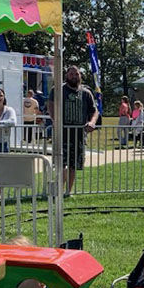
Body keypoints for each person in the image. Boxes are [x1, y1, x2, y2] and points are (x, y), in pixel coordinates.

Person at [47, 66, 98, 196]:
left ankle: (67, 192)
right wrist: (54, 120)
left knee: (73, 165)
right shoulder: (58, 90)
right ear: (66, 75)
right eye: (71, 74)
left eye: (76, 74)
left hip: (79, 135)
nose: (74, 76)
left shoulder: (86, 93)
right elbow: (51, 104)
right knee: (61, 163)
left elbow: (94, 111)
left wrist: (92, 122)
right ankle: (57, 189)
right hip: (62, 133)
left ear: (80, 76)